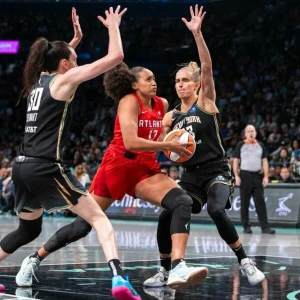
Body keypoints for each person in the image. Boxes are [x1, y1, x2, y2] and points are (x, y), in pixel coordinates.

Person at [14, 63, 209, 290]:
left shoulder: (162, 104)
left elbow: (161, 136)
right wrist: (167, 144)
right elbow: (131, 142)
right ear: (134, 85)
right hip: (117, 166)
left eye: (154, 78)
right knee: (82, 226)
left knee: (181, 202)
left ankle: (175, 267)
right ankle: (34, 259)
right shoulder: (128, 101)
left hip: (145, 169)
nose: (154, 82)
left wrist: (175, 146)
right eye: (148, 79)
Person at [0, 6, 142, 300]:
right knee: (99, 219)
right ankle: (118, 279)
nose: (77, 65)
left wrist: (73, 41)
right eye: (74, 61)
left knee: (27, 231)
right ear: (65, 65)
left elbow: (56, 60)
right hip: (44, 166)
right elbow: (116, 58)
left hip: (21, 166)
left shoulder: (39, 80)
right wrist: (113, 27)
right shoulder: (63, 80)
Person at [143, 5, 265, 291]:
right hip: (190, 177)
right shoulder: (170, 117)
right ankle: (164, 270)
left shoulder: (205, 103)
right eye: (176, 81)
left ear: (197, 85)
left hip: (217, 171)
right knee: (165, 214)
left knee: (216, 210)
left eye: (185, 80)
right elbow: (161, 147)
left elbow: (207, 66)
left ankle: (245, 261)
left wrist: (197, 34)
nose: (180, 84)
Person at [233, 124, 276, 235]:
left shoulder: (260, 145)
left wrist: (266, 176)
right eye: (249, 131)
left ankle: (265, 227)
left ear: (256, 133)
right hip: (245, 176)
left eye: (253, 131)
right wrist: (236, 176)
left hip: (257, 176)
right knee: (244, 203)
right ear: (245, 133)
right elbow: (235, 160)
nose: (251, 133)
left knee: (260, 202)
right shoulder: (240, 145)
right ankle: (246, 227)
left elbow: (265, 161)